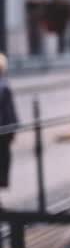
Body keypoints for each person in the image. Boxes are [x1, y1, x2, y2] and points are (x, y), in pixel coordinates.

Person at [0, 53, 17, 193]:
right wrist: (13, 128)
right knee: (3, 162)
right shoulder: (4, 86)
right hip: (3, 130)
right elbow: (9, 111)